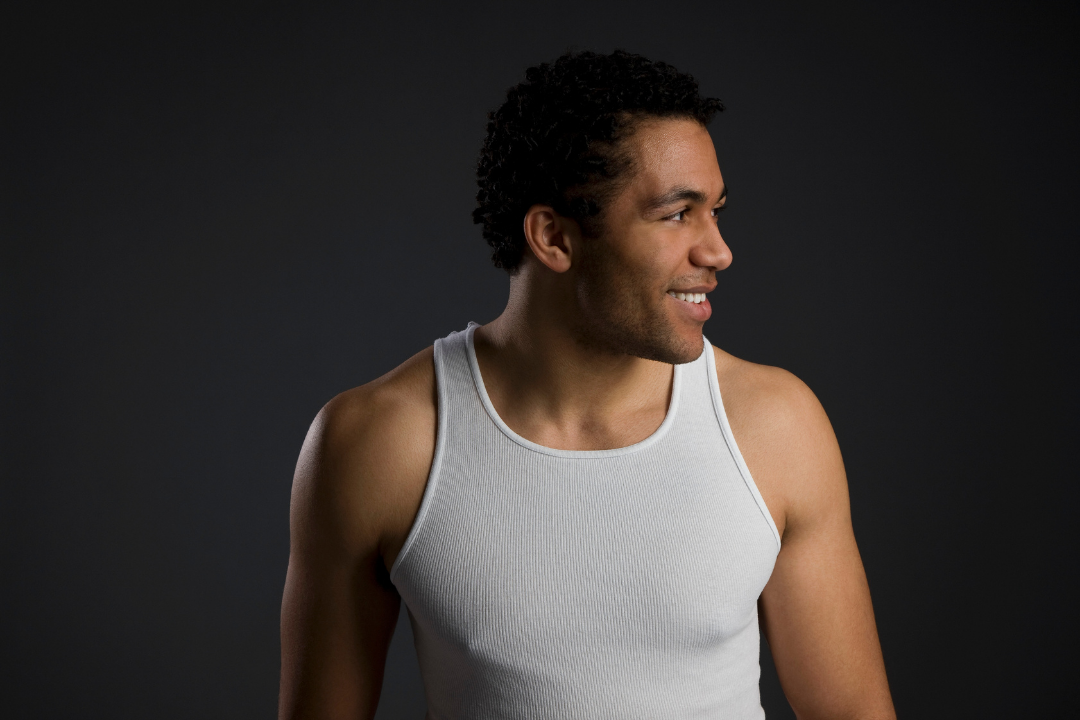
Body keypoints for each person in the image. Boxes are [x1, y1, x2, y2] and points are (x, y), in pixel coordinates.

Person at [279, 50, 895, 720]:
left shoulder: (776, 426)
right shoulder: (380, 441)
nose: (718, 251)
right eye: (677, 214)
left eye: (715, 211)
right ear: (554, 238)